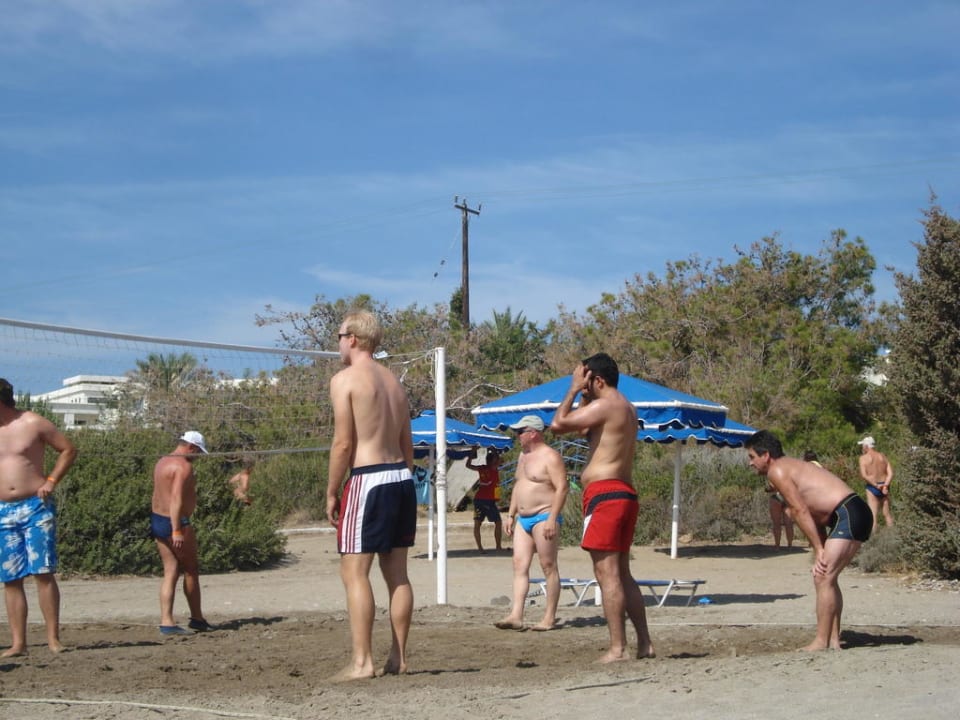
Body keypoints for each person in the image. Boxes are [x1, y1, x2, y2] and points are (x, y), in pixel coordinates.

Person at [326, 310, 416, 681]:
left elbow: (343, 443)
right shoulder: (394, 382)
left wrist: (332, 491)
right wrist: (404, 477)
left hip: (369, 477)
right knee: (397, 574)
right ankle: (398, 657)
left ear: (354, 339)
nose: (337, 341)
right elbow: (407, 444)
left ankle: (362, 662)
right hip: (401, 478)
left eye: (340, 334)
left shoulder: (345, 379)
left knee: (353, 571)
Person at [549, 353, 654, 663]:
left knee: (606, 574)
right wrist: (584, 396)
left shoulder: (606, 404)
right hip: (623, 493)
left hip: (605, 494)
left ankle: (617, 648)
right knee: (623, 573)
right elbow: (584, 431)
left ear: (597, 379)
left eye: (586, 379)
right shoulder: (625, 407)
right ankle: (644, 643)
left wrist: (571, 390)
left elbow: (557, 425)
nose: (582, 385)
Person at [745, 430, 872, 651]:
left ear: (765, 455)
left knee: (823, 576)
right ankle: (833, 640)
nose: (750, 463)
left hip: (848, 513)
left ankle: (820, 642)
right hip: (850, 512)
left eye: (752, 457)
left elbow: (800, 509)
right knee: (828, 578)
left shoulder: (777, 470)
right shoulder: (790, 467)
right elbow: (812, 515)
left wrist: (818, 548)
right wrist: (819, 545)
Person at [0, 377, 77, 657]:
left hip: (35, 504)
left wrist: (52, 480)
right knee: (10, 578)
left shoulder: (33, 422)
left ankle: (52, 638)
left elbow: (68, 449)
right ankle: (18, 643)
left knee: (42, 572)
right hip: (2, 510)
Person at [494, 415, 568, 632]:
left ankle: (549, 617)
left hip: (544, 515)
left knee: (548, 565)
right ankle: (516, 614)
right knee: (519, 564)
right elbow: (519, 484)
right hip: (523, 519)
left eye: (520, 432)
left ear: (533, 433)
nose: (517, 436)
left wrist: (553, 518)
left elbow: (562, 487)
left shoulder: (550, 457)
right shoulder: (523, 456)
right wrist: (510, 514)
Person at [151, 430, 214, 635]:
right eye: (198, 453)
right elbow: (176, 498)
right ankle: (197, 618)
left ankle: (166, 621)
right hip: (175, 523)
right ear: (192, 447)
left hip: (158, 519)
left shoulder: (162, 461)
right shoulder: (183, 466)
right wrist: (177, 529)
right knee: (191, 570)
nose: (197, 457)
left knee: (170, 571)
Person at [466, 448, 503, 552]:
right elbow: (498, 459)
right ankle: (498, 546)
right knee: (498, 522)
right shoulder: (493, 468)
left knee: (477, 524)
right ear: (493, 461)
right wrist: (493, 449)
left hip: (478, 499)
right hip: (488, 501)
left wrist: (472, 452)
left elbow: (468, 465)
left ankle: (480, 548)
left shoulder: (481, 468)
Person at [857, 436, 894, 533]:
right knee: (887, 514)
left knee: (873, 515)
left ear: (866, 446)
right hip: (884, 485)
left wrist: (876, 486)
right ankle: (893, 535)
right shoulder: (882, 456)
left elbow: (864, 475)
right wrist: (885, 485)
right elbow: (890, 473)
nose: (862, 448)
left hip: (872, 486)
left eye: (863, 446)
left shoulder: (863, 458)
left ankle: (874, 539)